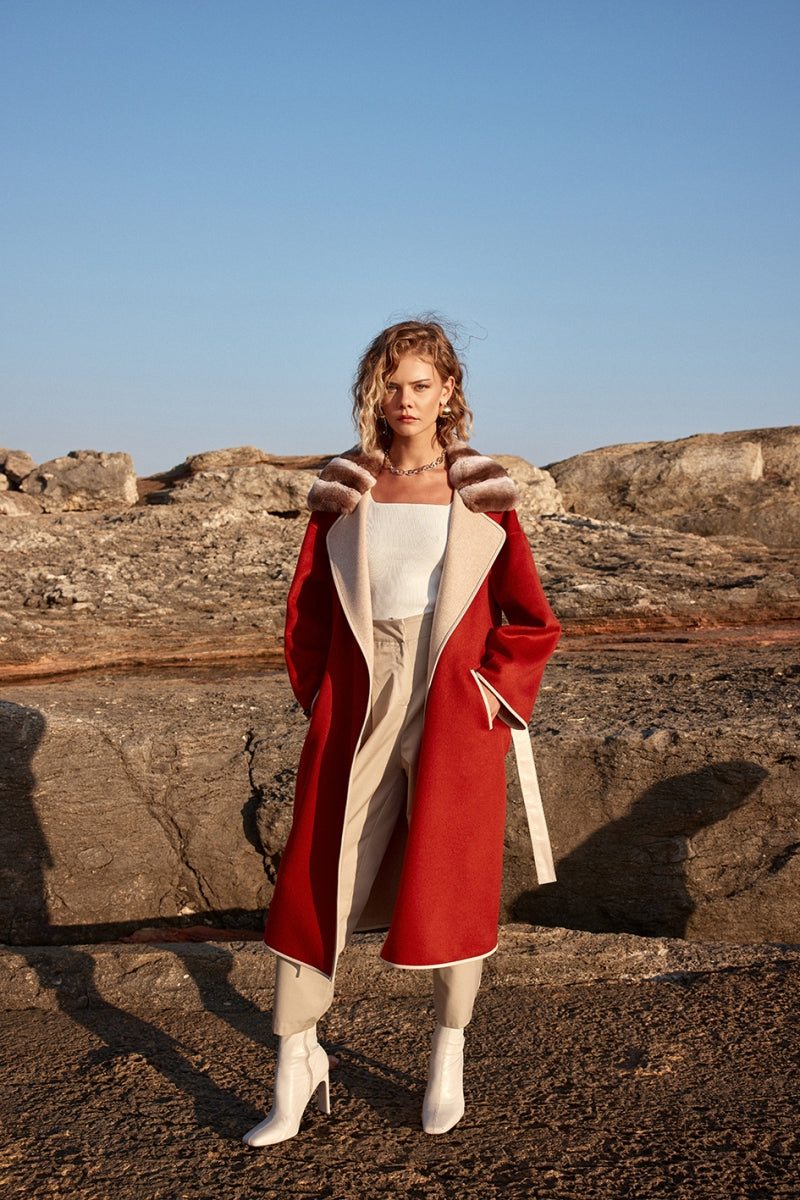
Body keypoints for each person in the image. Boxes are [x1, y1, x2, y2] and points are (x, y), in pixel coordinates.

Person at [243, 319, 561, 1146]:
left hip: (456, 700)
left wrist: (495, 694)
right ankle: (295, 1062)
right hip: (361, 700)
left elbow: (530, 618)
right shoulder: (344, 489)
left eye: (421, 384)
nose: (404, 399)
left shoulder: (483, 491)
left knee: (449, 875)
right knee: (319, 870)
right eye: (391, 385)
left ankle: (447, 1054)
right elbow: (309, 608)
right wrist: (320, 696)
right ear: (373, 394)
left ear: (449, 392)